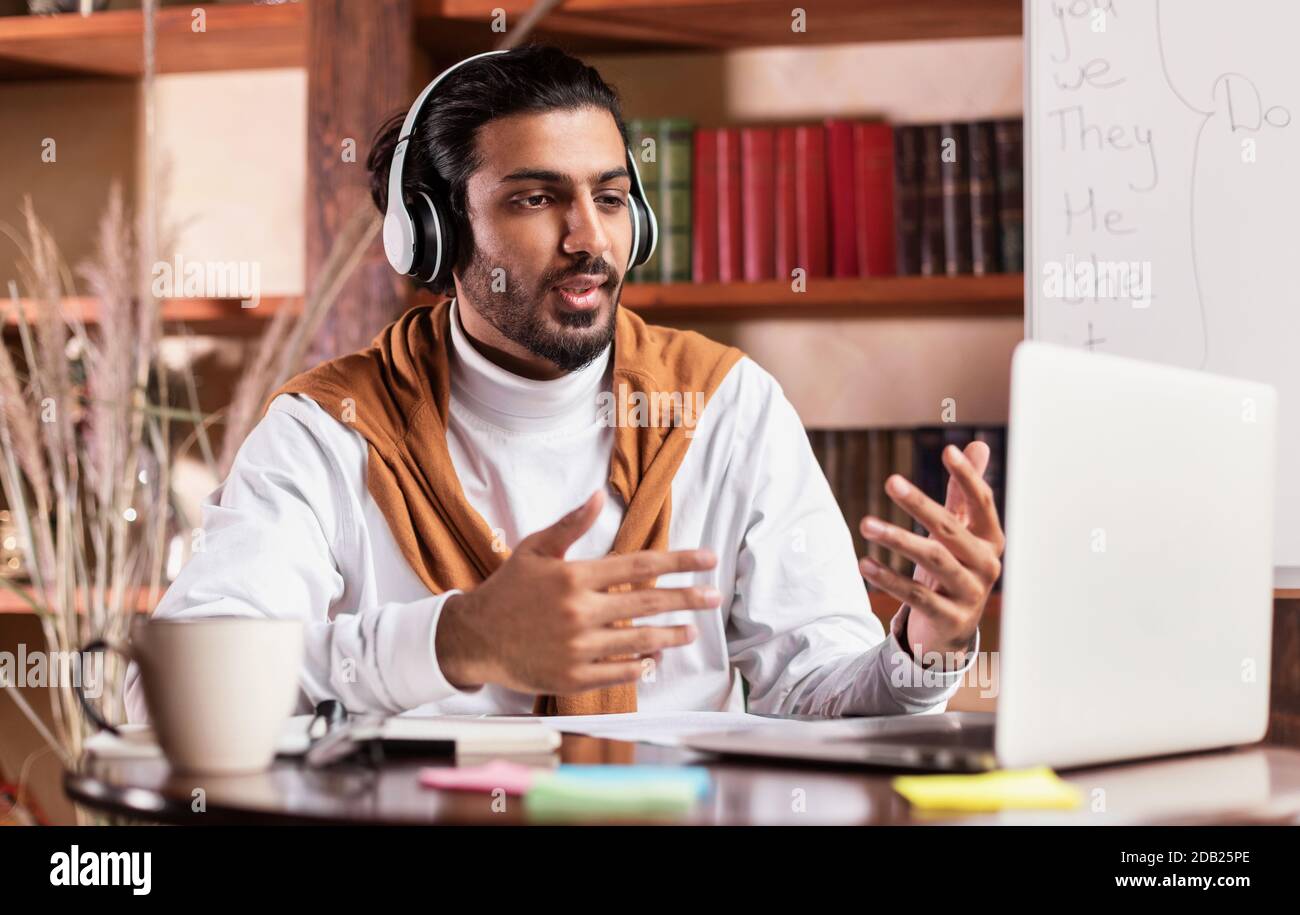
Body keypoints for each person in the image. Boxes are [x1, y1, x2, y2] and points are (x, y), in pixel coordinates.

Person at [125, 45, 1003, 723]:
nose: (590, 239)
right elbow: (169, 687)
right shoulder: (331, 427)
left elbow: (811, 692)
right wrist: (449, 640)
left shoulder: (725, 403)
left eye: (612, 197)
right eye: (537, 199)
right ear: (431, 237)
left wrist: (922, 651)